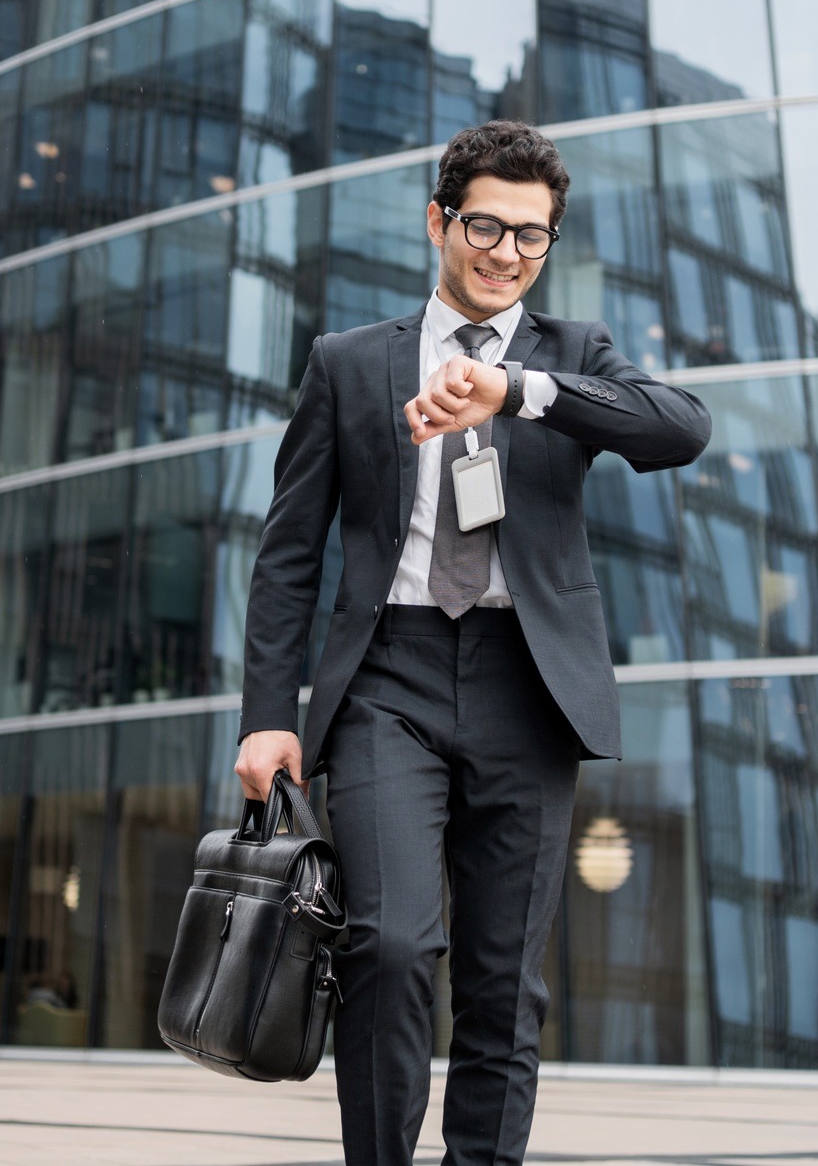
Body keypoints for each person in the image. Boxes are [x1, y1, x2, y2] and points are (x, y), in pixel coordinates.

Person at [234, 120, 711, 1165]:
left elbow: (678, 427)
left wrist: (515, 391)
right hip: (386, 683)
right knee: (390, 944)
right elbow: (286, 557)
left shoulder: (571, 357)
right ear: (438, 221)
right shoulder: (349, 364)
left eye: (530, 237)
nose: (504, 253)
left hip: (525, 689)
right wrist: (269, 715)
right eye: (485, 226)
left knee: (503, 984)